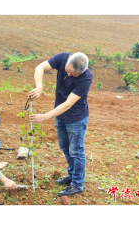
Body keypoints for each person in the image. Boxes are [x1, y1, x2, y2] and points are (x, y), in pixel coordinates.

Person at [29, 52, 93, 196]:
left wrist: (45, 116)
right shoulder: (63, 57)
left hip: (76, 117)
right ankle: (72, 175)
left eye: (73, 75)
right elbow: (40, 67)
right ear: (68, 60)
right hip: (60, 115)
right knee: (65, 148)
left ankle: (77, 184)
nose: (69, 76)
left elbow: (69, 104)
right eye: (68, 72)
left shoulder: (86, 77)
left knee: (76, 150)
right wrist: (39, 87)